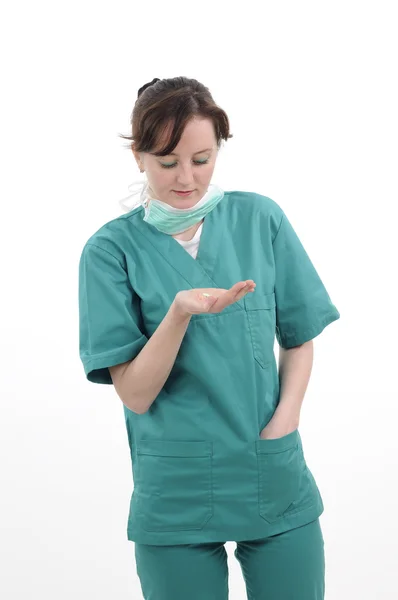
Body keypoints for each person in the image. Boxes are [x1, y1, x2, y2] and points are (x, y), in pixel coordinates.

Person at [78, 76, 340, 600]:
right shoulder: (110, 251)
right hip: (176, 488)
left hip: (272, 470)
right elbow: (134, 393)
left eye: (202, 159)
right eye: (167, 161)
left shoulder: (259, 218)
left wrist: (284, 422)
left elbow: (298, 335)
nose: (186, 178)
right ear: (139, 157)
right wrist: (178, 314)